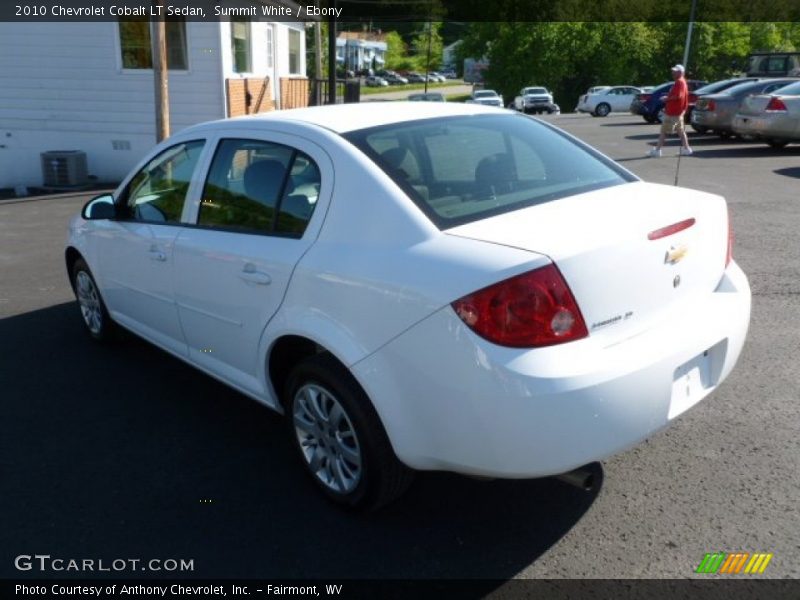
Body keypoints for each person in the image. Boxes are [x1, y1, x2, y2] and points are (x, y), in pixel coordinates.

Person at [647, 64, 693, 158]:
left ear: (680, 72)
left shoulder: (679, 82)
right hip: (677, 111)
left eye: (675, 71)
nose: (673, 73)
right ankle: (686, 149)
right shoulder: (682, 82)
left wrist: (666, 99)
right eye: (673, 71)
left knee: (664, 131)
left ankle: (657, 150)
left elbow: (678, 96)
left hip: (673, 112)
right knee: (680, 131)